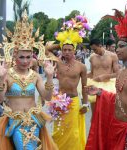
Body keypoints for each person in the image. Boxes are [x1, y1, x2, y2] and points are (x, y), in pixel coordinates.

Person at [85, 0, 127, 149]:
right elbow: (118, 98)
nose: (117, 50)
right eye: (116, 46)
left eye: (121, 46)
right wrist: (100, 92)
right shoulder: (121, 72)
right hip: (115, 127)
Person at [0, 10, 58, 150]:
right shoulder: (8, 74)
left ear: (33, 57)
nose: (25, 61)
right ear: (15, 57)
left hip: (34, 120)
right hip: (15, 121)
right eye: (21, 57)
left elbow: (47, 97)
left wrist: (49, 77)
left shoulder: (35, 75)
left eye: (28, 57)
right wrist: (0, 79)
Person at [48, 15, 90, 150]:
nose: (66, 52)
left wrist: (85, 103)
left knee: (74, 134)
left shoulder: (81, 67)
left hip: (74, 102)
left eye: (69, 50)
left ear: (74, 50)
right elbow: (46, 50)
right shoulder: (58, 63)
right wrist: (62, 42)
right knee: (58, 132)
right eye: (64, 49)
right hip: (59, 102)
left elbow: (84, 87)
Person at [87, 38, 119, 113]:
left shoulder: (112, 56)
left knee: (107, 112)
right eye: (92, 50)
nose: (94, 52)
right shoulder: (92, 57)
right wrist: (82, 75)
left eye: (95, 49)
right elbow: (92, 73)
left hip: (107, 86)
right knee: (94, 113)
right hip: (94, 84)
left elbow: (118, 73)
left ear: (100, 45)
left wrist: (106, 76)